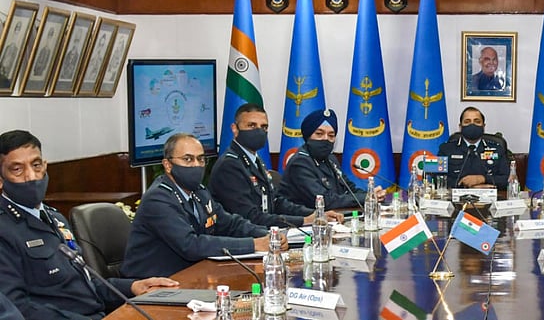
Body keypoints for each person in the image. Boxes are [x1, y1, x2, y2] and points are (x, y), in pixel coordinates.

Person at [0, 130, 178, 319]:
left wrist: (134, 286)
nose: (31, 176)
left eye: (36, 165)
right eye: (17, 169)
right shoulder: (5, 230)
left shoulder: (55, 218)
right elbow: (17, 308)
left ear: (45, 166)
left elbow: (86, 282)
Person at [122, 133, 283, 279]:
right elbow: (191, 245)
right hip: (152, 284)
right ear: (168, 165)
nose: (196, 165)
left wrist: (268, 236)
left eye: (200, 159)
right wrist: (254, 244)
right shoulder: (158, 199)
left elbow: (229, 223)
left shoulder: (199, 191)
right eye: (187, 159)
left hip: (190, 276)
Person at [208, 104, 342, 227]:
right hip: (245, 239)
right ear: (235, 129)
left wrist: (315, 214)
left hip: (264, 232)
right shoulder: (229, 166)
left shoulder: (254, 159)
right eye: (252, 126)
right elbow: (249, 217)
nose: (259, 131)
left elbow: (276, 202)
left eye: (264, 127)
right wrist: (304, 221)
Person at [279, 109, 385, 210]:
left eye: (331, 135)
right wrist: (366, 197)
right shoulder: (300, 163)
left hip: (333, 218)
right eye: (319, 134)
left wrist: (372, 195)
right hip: (304, 223)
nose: (326, 139)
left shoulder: (330, 159)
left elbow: (350, 189)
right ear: (307, 136)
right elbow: (324, 201)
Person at [438, 107, 511, 189]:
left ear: (483, 126)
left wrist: (483, 179)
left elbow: (507, 179)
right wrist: (466, 185)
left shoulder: (497, 150)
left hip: (489, 199)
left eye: (477, 121)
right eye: (467, 121)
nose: (472, 125)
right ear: (460, 126)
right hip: (455, 198)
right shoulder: (446, 149)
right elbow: (437, 178)